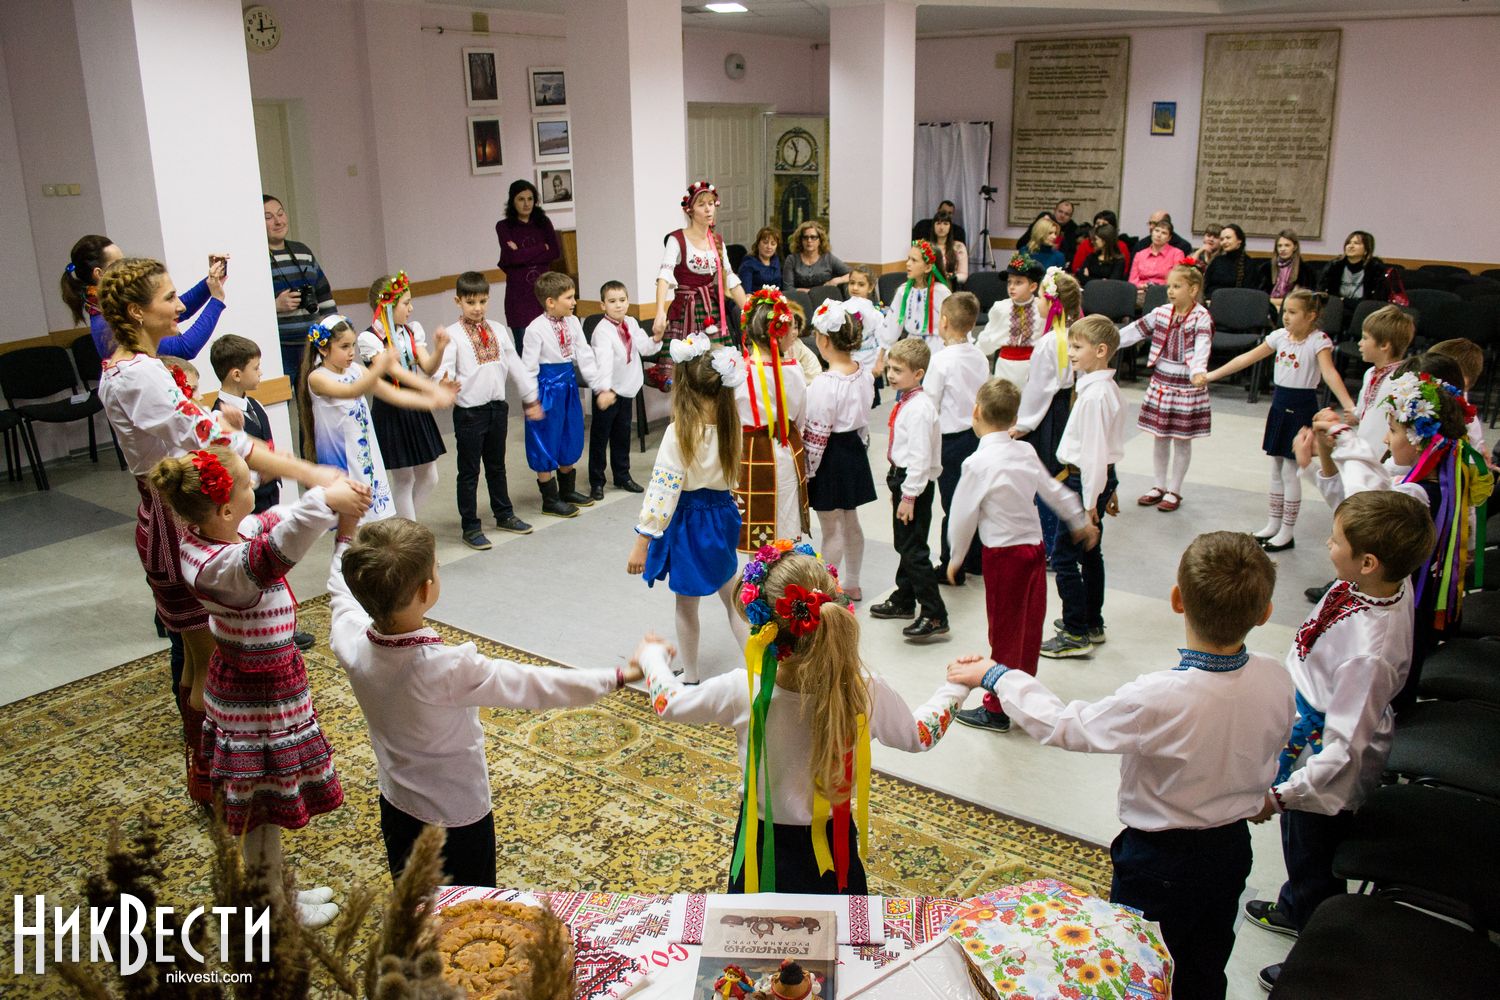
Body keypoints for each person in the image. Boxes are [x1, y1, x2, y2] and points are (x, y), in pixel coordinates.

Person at [947, 531, 1295, 1000]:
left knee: (1140, 963)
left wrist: (998, 675)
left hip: (1159, 860)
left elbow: (1066, 726)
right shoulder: (1276, 675)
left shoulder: (1160, 696)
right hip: (1230, 849)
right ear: (1265, 612)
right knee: (1207, 960)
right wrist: (1257, 795)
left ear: (1177, 600)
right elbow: (1270, 744)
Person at [97, 257, 342, 805]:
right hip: (176, 522)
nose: (179, 305)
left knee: (195, 655)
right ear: (135, 312)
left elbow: (192, 430)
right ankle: (216, 780)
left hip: (167, 513)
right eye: (168, 297)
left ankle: (204, 776)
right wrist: (308, 472)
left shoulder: (133, 368)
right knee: (209, 660)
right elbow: (215, 439)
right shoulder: (138, 375)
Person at [330, 515, 645, 888]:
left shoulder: (350, 642)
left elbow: (339, 595)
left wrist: (344, 534)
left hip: (396, 803)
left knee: (411, 895)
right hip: (456, 815)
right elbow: (535, 684)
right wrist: (618, 676)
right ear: (425, 590)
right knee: (472, 902)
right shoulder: (447, 668)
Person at [639, 548, 969, 893]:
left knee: (753, 924)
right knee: (840, 923)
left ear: (761, 627)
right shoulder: (864, 690)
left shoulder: (743, 689)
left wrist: (653, 658)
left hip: (760, 851)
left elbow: (669, 704)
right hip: (834, 849)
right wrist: (957, 687)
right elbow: (920, 736)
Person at [151, 447, 367, 928]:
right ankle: (272, 908)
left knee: (263, 807)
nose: (257, 486)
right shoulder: (219, 567)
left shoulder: (216, 534)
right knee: (259, 810)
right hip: (255, 699)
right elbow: (276, 549)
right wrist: (324, 501)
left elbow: (274, 521)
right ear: (225, 509)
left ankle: (275, 890)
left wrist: (326, 499)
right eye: (248, 484)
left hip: (263, 689)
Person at [1243, 491, 1433, 993]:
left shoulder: (1369, 655)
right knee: (1299, 850)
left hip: (1324, 766)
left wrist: (1280, 797)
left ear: (1368, 562)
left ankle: (1315, 958)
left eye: (1335, 540)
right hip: (1310, 729)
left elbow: (1344, 750)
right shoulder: (1381, 582)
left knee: (1315, 855)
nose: (1327, 544)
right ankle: (1294, 904)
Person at [1301, 369, 1493, 706]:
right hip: (1397, 596)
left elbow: (1365, 501)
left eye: (1392, 430)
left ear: (1421, 440)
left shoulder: (1418, 495)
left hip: (1400, 605)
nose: (1386, 440)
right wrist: (1327, 453)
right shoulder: (1415, 480)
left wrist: (1344, 437)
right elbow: (1353, 509)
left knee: (1378, 692)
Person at [948, 379, 1095, 733]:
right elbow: (1054, 491)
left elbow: (963, 514)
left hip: (1003, 556)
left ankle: (997, 708)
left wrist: (956, 556)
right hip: (1034, 550)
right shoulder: (1026, 451)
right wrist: (1079, 520)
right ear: (1015, 418)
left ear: (976, 412)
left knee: (1004, 631)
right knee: (1029, 627)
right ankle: (1022, 691)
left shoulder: (977, 462)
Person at [627, 341, 748, 684]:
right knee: (732, 596)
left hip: (689, 522)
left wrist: (642, 541)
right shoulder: (731, 425)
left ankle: (691, 675)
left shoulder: (679, 432)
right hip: (722, 514)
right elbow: (733, 478)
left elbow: (662, 491)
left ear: (685, 387)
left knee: (686, 602)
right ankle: (756, 669)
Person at [1200, 290, 1356, 552]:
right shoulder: (1280, 337)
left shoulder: (1318, 341)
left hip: (1301, 408)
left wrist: (1349, 405)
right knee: (1275, 468)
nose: (1286, 317)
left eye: (1293, 312)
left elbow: (1330, 374)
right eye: (1285, 311)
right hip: (1280, 406)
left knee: (1290, 470)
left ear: (1311, 316)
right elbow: (1246, 358)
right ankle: (1273, 523)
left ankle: (1287, 530)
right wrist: (1211, 375)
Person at [302, 315, 452, 525]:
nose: (351, 352)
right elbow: (352, 390)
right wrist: (380, 368)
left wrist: (432, 399)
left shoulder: (356, 370)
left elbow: (393, 394)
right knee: (350, 518)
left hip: (364, 453)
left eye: (352, 345)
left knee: (371, 513)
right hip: (341, 455)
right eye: (344, 346)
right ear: (323, 349)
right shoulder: (317, 377)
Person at [1039, 317, 1126, 661]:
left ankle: (1075, 631)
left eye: (1077, 347)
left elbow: (1092, 454)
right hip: (1096, 479)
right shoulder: (1103, 388)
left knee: (1064, 557)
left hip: (1083, 484)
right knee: (1090, 554)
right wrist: (1107, 488)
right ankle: (1092, 621)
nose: (1071, 353)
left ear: (1101, 351)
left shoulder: (1094, 397)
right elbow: (1105, 450)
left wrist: (1090, 504)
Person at [437, 271, 542, 550]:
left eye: (482, 301)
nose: (477, 308)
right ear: (458, 301)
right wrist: (443, 384)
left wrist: (530, 397)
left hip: (497, 408)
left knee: (497, 466)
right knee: (469, 472)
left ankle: (504, 514)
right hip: (470, 413)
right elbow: (443, 370)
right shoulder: (452, 335)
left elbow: (515, 365)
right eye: (470, 302)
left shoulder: (498, 329)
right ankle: (470, 526)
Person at [869, 338, 947, 641]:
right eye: (889, 368)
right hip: (904, 480)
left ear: (918, 373)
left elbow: (919, 458)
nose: (890, 375)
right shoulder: (908, 400)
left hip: (913, 482)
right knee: (906, 543)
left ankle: (935, 612)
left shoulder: (919, 409)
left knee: (913, 549)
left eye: (898, 370)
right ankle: (904, 598)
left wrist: (909, 495)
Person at [1010, 271, 1090, 564]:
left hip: (1048, 414)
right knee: (1060, 473)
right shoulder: (1076, 335)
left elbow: (1040, 389)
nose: (1038, 303)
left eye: (1042, 298)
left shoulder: (1050, 341)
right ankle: (1057, 539)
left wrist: (1022, 424)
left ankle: (1050, 544)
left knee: (1047, 474)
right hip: (1065, 408)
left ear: (1053, 303)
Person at [359, 273, 453, 522]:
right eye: (406, 303)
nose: (411, 308)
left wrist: (439, 349)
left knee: (430, 476)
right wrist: (433, 391)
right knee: (403, 479)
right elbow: (395, 372)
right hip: (391, 408)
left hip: (415, 407)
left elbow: (427, 367)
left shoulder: (410, 332)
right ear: (387, 306)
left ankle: (404, 528)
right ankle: (409, 532)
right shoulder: (370, 338)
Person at [523, 272, 617, 516]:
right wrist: (531, 400)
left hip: (568, 385)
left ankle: (567, 490)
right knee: (546, 439)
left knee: (570, 434)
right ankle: (550, 499)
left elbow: (585, 356)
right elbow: (528, 369)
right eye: (569, 297)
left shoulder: (573, 322)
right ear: (550, 302)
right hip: (547, 389)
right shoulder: (535, 329)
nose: (574, 302)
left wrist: (600, 387)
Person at [804, 300, 878, 602]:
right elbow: (865, 419)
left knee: (831, 528)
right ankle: (853, 582)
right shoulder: (864, 374)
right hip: (854, 450)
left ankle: (826, 590)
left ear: (823, 341)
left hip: (829, 456)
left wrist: (808, 469)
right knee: (851, 520)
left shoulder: (824, 383)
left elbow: (818, 432)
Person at [1124, 264, 1213, 513]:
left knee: (1182, 439)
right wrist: (1109, 341)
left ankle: (1175, 489)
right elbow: (1135, 330)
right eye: (1169, 286)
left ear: (1193, 290)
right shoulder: (1162, 312)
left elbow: (1203, 345)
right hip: (1162, 379)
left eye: (1177, 286)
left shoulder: (1201, 317)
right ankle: (1159, 485)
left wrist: (1198, 371)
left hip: (1186, 383)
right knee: (1160, 436)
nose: (1170, 291)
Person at [65, 235, 228, 359]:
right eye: (118, 263)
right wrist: (216, 301)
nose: (126, 266)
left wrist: (211, 282)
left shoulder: (114, 306)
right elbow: (184, 348)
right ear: (99, 274)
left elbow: (172, 310)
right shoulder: (107, 321)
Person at [734, 289, 809, 552]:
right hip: (785, 445)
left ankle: (755, 573)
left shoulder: (738, 370)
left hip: (749, 450)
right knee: (784, 517)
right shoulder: (793, 369)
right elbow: (800, 414)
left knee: (755, 521)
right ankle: (784, 568)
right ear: (779, 331)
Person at [652, 182, 747, 388]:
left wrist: (749, 311)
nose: (708, 209)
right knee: (686, 373)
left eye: (711, 204)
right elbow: (665, 276)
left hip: (711, 310)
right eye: (702, 204)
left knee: (716, 372)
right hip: (686, 309)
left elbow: (730, 278)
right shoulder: (677, 239)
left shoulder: (717, 241)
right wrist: (660, 311)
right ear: (690, 210)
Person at [922, 293, 989, 586]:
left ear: (945, 321)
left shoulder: (940, 360)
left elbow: (930, 404)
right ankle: (975, 558)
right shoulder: (979, 356)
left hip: (949, 441)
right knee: (972, 500)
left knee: (953, 504)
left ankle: (952, 564)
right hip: (976, 435)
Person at [588, 280, 662, 500]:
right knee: (600, 437)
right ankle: (597, 481)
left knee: (622, 434)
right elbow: (603, 362)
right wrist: (604, 389)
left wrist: (656, 338)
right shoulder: (602, 331)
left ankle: (622, 475)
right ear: (603, 305)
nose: (618, 305)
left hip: (627, 387)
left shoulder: (631, 322)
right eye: (612, 301)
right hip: (608, 390)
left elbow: (644, 347)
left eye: (622, 300)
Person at [265, 195, 336, 384]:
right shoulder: (257, 257)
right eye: (269, 217)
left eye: (280, 214)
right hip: (278, 348)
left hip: (311, 344)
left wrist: (333, 330)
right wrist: (275, 306)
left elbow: (324, 293)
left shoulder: (302, 251)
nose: (278, 221)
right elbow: (249, 306)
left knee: (314, 397)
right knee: (282, 398)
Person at [210, 336, 282, 514]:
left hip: (271, 496)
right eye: (256, 368)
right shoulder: (218, 418)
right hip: (248, 505)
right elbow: (231, 469)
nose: (260, 372)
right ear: (236, 375)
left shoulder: (256, 405)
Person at [494, 179, 560, 349]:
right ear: (512, 201)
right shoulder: (503, 226)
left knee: (549, 348)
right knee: (524, 348)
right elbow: (512, 258)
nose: (526, 204)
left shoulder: (543, 223)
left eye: (530, 199)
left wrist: (520, 253)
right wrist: (541, 247)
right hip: (518, 297)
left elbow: (554, 252)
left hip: (543, 294)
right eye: (521, 199)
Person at [974, 251, 1047, 388]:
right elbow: (989, 335)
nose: (1012, 287)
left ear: (1033, 286)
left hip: (1032, 366)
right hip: (1005, 366)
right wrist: (976, 355)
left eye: (1018, 282)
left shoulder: (1041, 308)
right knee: (1004, 396)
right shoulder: (1001, 308)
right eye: (1009, 282)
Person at [876, 241, 951, 355]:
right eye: (908, 259)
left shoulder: (941, 292)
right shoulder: (903, 291)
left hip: (937, 348)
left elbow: (954, 324)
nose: (908, 263)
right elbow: (892, 324)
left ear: (928, 267)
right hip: (911, 348)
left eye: (914, 260)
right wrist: (881, 354)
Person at [1317, 230, 1392, 303]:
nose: (1351, 246)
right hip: (1337, 306)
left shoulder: (1376, 269)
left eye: (1356, 243)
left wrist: (1346, 301)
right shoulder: (1334, 266)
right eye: (1348, 243)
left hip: (1363, 307)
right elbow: (1321, 290)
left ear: (1366, 250)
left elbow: (1377, 299)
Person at [1127, 221, 1186, 306]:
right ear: (1152, 233)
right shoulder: (1139, 255)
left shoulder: (1177, 254)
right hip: (1141, 293)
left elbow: (1177, 280)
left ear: (1169, 238)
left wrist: (1156, 288)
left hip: (1164, 294)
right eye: (1157, 231)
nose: (1159, 235)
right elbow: (1132, 281)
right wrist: (1142, 286)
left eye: (1164, 233)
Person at [1203, 224, 1268, 300]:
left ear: (1239, 240)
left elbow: (1249, 293)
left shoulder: (1249, 264)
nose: (1224, 242)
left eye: (1228, 238)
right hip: (1212, 301)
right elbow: (1206, 285)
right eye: (1222, 239)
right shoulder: (1217, 261)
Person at [782, 220, 851, 290]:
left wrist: (837, 280)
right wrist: (811, 292)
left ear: (820, 240)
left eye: (813, 237)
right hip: (799, 296)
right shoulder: (792, 260)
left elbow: (851, 274)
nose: (809, 241)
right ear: (801, 240)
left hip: (824, 296)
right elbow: (787, 288)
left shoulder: (828, 258)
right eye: (805, 237)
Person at [1268, 229, 1309, 311]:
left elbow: (1299, 300)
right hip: (1268, 307)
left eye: (1287, 245)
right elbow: (1260, 296)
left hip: (1291, 309)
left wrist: (1272, 301)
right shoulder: (1266, 268)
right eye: (1279, 246)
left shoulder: (1304, 270)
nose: (1282, 249)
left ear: (1295, 247)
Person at [738, 226, 783, 295]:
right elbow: (746, 292)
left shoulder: (776, 260)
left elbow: (779, 288)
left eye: (773, 244)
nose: (769, 247)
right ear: (758, 244)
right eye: (765, 242)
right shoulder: (748, 263)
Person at [930, 210, 969, 286]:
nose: (941, 227)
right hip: (930, 286)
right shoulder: (926, 246)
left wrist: (951, 277)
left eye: (945, 224)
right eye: (938, 223)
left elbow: (963, 274)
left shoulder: (959, 247)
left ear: (950, 227)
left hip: (951, 287)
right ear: (933, 226)